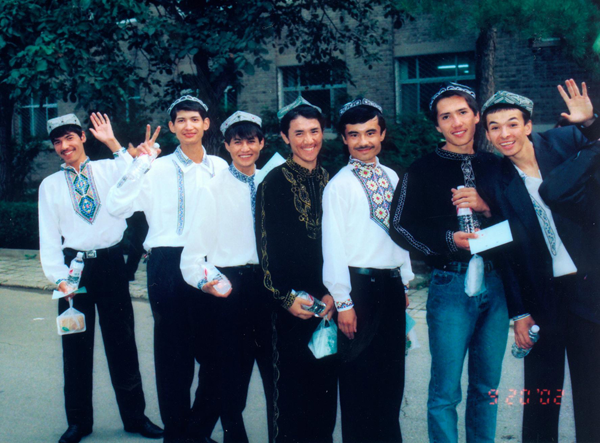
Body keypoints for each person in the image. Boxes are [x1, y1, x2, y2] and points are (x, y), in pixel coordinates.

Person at [479, 80, 600, 443]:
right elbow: (507, 256)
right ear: (487, 134)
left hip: (588, 289)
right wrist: (519, 312)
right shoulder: (496, 181)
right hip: (543, 298)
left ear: (528, 125)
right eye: (495, 127)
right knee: (541, 396)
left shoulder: (564, 142)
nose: (505, 134)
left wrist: (590, 122)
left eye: (512, 124)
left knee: (593, 390)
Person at [390, 83, 509, 443]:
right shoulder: (422, 169)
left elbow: (521, 222)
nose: (456, 123)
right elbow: (400, 226)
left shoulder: (497, 166)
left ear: (476, 116)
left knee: (487, 387)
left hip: (497, 285)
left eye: (462, 113)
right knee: (445, 390)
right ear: (437, 125)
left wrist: (486, 207)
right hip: (451, 284)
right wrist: (447, 240)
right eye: (446, 117)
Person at [106, 96, 228, 443]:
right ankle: (176, 435)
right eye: (181, 120)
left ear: (206, 124)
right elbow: (116, 206)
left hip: (210, 263)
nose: (189, 126)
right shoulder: (156, 168)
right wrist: (140, 164)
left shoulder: (220, 167)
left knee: (219, 355)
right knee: (174, 358)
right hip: (168, 266)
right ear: (172, 127)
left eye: (195, 119)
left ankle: (197, 431)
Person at [39, 113, 163, 443]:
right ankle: (78, 422)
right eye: (57, 142)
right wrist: (59, 278)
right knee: (75, 348)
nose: (64, 146)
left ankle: (135, 417)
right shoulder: (50, 186)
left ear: (82, 137)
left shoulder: (109, 168)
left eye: (70, 138)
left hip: (110, 265)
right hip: (74, 270)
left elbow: (136, 174)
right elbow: (48, 237)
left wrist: (113, 142)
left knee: (122, 343)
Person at [322, 98, 413, 442]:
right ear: (344, 139)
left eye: (370, 133)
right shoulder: (339, 185)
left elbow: (401, 234)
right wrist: (343, 302)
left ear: (382, 134)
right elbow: (333, 247)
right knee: (359, 382)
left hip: (391, 287)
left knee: (391, 381)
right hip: (358, 290)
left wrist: (405, 281)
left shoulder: (392, 176)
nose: (363, 141)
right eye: (354, 135)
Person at [180, 111, 274, 443]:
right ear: (227, 146)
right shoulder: (212, 188)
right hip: (232, 289)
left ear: (262, 143)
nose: (245, 148)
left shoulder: (272, 183)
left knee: (275, 374)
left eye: (251, 141)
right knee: (231, 378)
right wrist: (210, 282)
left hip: (269, 287)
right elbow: (194, 255)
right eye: (237, 142)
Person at [255, 96, 338, 442]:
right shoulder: (272, 183)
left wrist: (334, 294)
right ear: (285, 137)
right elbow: (265, 250)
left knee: (324, 391)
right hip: (287, 306)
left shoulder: (331, 180)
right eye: (299, 133)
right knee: (289, 396)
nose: (308, 140)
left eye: (314, 131)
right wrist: (284, 298)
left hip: (327, 302)